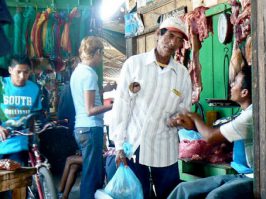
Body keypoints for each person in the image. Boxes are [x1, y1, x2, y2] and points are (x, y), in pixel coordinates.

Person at [111, 16, 192, 199]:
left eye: (178, 40)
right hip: (135, 145)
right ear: (158, 34)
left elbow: (184, 110)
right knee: (139, 195)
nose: (173, 43)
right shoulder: (134, 65)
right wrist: (118, 145)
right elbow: (122, 107)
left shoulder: (182, 74)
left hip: (165, 148)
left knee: (170, 195)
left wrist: (179, 120)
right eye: (169, 36)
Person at [167, 66, 254, 199]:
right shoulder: (244, 114)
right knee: (183, 189)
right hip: (239, 175)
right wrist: (194, 127)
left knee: (215, 197)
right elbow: (219, 134)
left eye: (235, 82)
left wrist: (195, 118)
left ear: (244, 92)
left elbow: (211, 137)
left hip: (252, 178)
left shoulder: (251, 115)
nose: (231, 84)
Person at [70, 36, 113, 199]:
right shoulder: (89, 74)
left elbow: (87, 96)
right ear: (97, 53)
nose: (101, 59)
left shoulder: (78, 72)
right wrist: (114, 105)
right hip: (90, 127)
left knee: (90, 172)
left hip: (81, 128)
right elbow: (90, 109)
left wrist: (105, 89)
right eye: (101, 54)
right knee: (92, 175)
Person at [0, 55, 42, 199]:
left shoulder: (35, 89)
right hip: (1, 142)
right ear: (10, 70)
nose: (22, 76)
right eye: (18, 72)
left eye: (26, 72)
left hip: (19, 143)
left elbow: (33, 116)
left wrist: (33, 135)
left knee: (16, 187)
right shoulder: (2, 85)